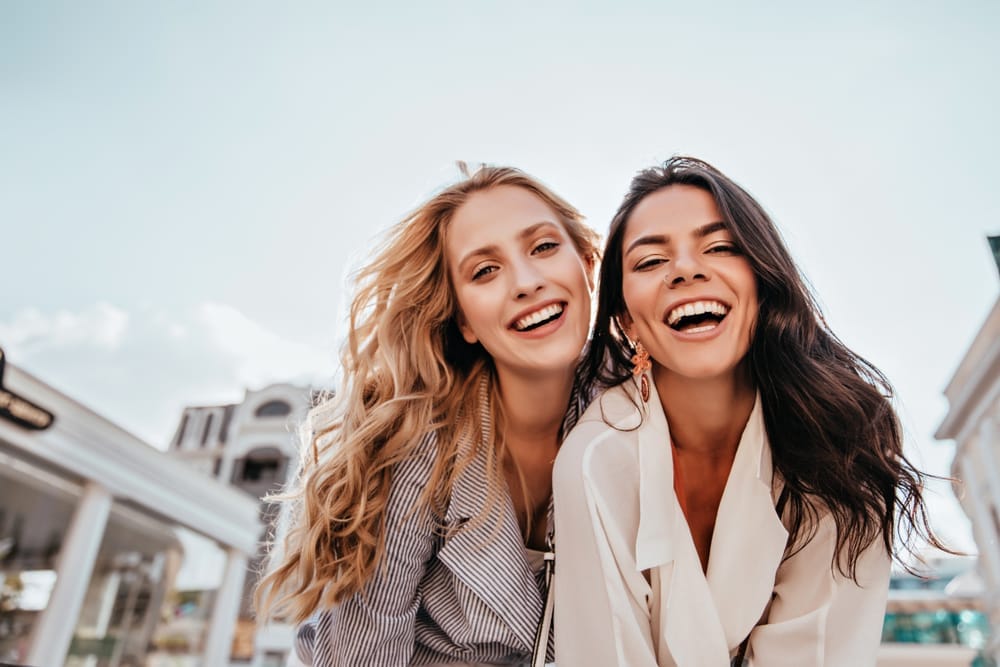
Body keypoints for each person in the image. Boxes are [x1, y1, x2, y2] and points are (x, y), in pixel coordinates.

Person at [552, 156, 946, 666]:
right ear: (627, 319)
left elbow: (822, 652)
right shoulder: (595, 458)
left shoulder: (844, 432)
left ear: (762, 281)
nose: (687, 270)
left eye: (720, 247)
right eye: (650, 262)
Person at [255, 164, 600, 667]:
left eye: (544, 247)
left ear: (587, 265)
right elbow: (363, 654)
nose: (526, 282)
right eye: (485, 271)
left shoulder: (642, 406)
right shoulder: (414, 446)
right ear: (464, 320)